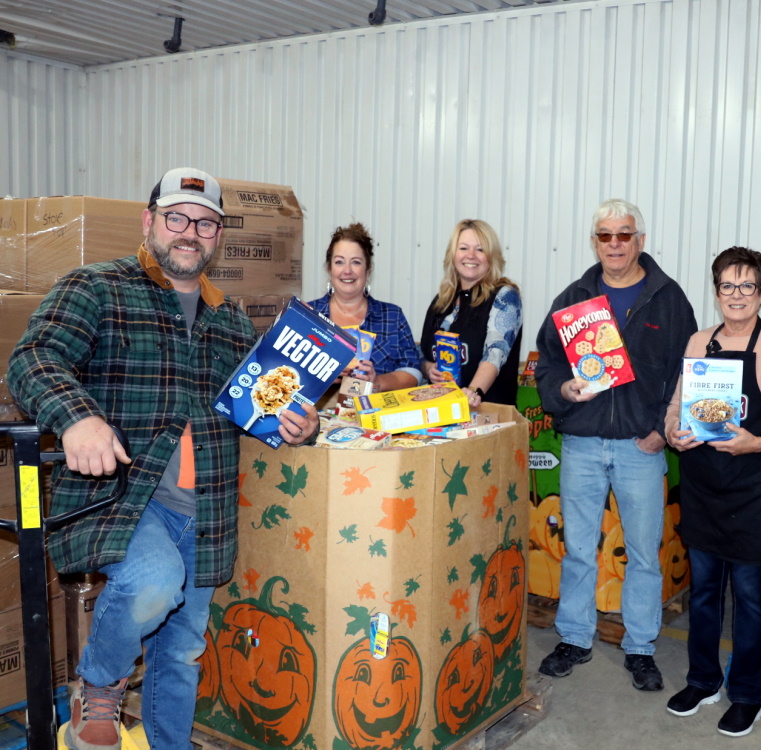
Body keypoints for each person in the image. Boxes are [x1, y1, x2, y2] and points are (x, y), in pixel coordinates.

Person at [7, 167, 319, 750]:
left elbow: (253, 407)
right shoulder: (97, 287)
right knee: (154, 583)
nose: (189, 232)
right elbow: (32, 359)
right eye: (177, 217)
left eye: (204, 223)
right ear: (150, 222)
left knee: (182, 651)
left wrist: (300, 423)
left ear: (217, 237)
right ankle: (98, 686)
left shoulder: (229, 317)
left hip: (206, 511)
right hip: (127, 496)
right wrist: (77, 416)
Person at [534, 198, 697, 691]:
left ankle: (641, 648)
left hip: (639, 446)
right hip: (582, 442)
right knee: (579, 549)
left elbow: (685, 374)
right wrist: (562, 390)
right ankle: (575, 638)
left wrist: (660, 431)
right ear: (595, 242)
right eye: (605, 236)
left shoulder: (669, 299)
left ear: (640, 241)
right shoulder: (573, 298)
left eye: (624, 235)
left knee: (645, 554)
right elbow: (547, 364)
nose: (615, 244)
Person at [664, 247, 761, 737]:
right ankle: (703, 680)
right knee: (704, 593)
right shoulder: (697, 343)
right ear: (716, 292)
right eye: (727, 286)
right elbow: (676, 407)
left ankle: (747, 693)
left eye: (746, 286)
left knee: (751, 598)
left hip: (758, 492)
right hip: (706, 488)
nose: (736, 296)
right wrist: (674, 433)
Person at [307, 222, 422, 393]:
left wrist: (376, 382)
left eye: (356, 262)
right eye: (339, 262)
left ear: (368, 271)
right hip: (316, 417)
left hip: (376, 416)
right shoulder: (308, 315)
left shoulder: (392, 316)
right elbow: (284, 372)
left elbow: (413, 373)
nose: (347, 270)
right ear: (329, 269)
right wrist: (319, 378)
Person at [419, 219, 522, 407]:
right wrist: (428, 369)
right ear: (453, 254)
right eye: (464, 248)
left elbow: (495, 353)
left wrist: (473, 392)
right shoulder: (441, 300)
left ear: (492, 256)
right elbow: (423, 353)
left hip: (487, 414)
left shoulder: (504, 296)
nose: (471, 256)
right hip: (441, 412)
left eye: (480, 249)